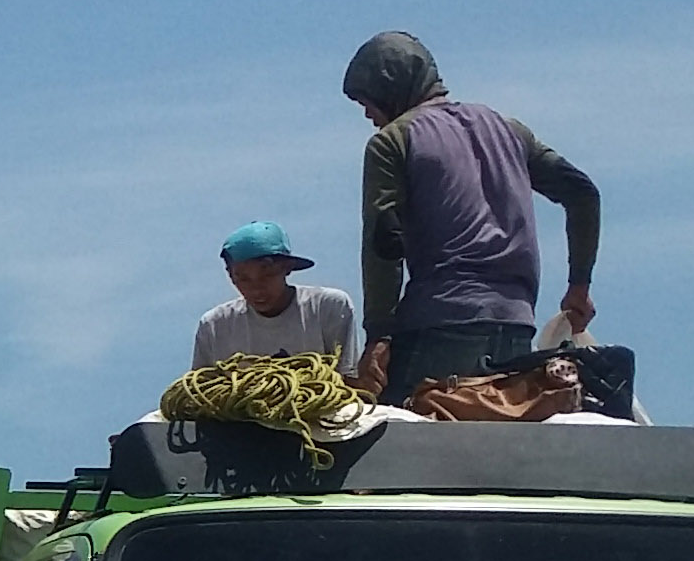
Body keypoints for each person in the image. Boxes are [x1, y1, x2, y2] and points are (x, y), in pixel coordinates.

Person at [341, 32, 602, 403]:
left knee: (392, 431)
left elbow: (383, 242)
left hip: (439, 325)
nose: (368, 115)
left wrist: (378, 336)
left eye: (367, 103)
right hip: (515, 326)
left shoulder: (393, 142)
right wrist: (579, 286)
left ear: (388, 88)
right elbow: (582, 193)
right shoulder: (509, 130)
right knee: (493, 434)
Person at [191, 221, 358, 372]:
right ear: (230, 276)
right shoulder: (214, 326)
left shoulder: (328, 307)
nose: (256, 289)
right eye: (243, 279)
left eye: (267, 275)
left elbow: (347, 377)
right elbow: (200, 389)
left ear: (287, 267)